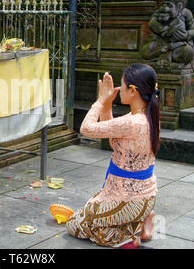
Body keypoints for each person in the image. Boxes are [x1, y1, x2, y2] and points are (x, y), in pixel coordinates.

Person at [65, 63, 160, 249]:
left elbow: (86, 129)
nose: (119, 89)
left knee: (75, 225)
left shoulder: (132, 122)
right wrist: (108, 105)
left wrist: (100, 101)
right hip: (144, 197)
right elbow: (114, 140)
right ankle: (142, 220)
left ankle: (132, 231)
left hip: (129, 200)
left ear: (133, 91)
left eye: (122, 85)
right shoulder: (149, 115)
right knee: (88, 211)